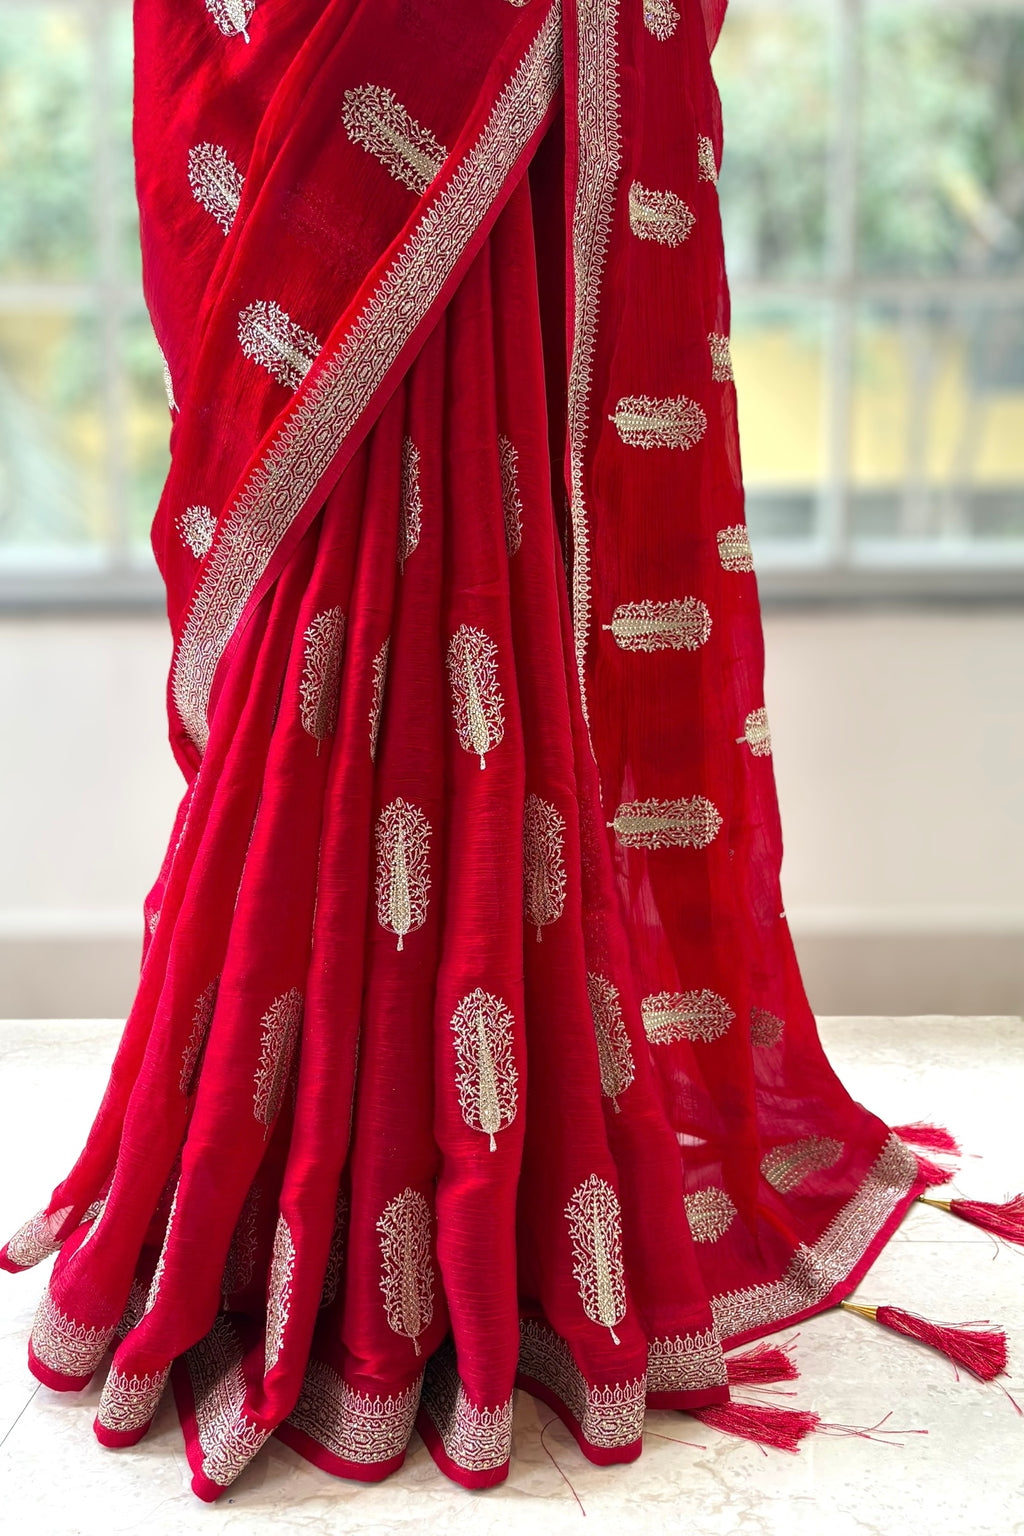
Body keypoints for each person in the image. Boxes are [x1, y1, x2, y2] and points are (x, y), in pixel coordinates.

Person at [3, 0, 996, 1502]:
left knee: (494, 542)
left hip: (519, 119)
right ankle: (319, 1201)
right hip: (389, 71)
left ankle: (511, 1205)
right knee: (346, 587)